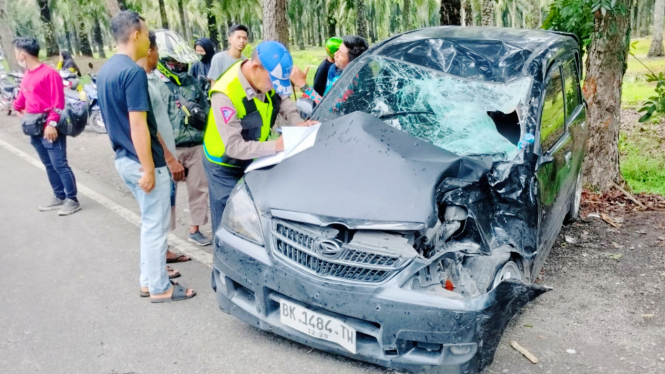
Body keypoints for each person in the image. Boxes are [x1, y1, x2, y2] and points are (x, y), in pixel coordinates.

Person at [97, 10, 195, 302]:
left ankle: (146, 281)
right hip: (142, 162)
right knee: (156, 226)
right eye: (147, 30)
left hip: (122, 159)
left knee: (149, 223)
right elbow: (138, 124)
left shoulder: (107, 70)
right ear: (136, 34)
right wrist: (150, 168)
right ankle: (160, 287)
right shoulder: (133, 72)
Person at [203, 41, 314, 233]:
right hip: (224, 166)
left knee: (254, 219)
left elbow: (283, 99)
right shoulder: (225, 94)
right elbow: (234, 147)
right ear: (255, 67)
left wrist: (298, 123)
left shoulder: (264, 79)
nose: (274, 87)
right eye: (272, 82)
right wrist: (277, 146)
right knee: (229, 222)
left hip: (253, 158)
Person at [137, 30, 188, 277]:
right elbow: (148, 125)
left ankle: (163, 252)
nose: (159, 55)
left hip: (166, 154)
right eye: (157, 50)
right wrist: (169, 158)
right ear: (150, 50)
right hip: (159, 158)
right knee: (155, 218)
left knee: (166, 208)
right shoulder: (140, 83)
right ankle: (157, 270)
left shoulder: (152, 78)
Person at [155, 29, 212, 246]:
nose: (179, 67)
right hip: (170, 148)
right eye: (174, 63)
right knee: (166, 194)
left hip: (196, 144)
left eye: (181, 63)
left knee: (199, 189)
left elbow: (206, 109)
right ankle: (164, 238)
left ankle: (195, 229)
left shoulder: (191, 82)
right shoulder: (156, 84)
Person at [12, 37, 81, 216]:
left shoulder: (49, 74)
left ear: (22, 54)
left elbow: (58, 103)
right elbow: (23, 96)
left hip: (48, 125)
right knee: (48, 164)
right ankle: (59, 196)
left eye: (16, 52)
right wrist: (17, 107)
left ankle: (72, 199)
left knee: (59, 164)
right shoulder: (27, 75)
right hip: (33, 126)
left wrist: (51, 124)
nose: (15, 55)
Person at [291, 35, 369, 104]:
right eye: (337, 50)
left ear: (352, 61)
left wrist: (303, 85)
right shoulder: (360, 74)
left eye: (340, 53)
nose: (335, 54)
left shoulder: (348, 82)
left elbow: (325, 106)